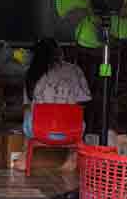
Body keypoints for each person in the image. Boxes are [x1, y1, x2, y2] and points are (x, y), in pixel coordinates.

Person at [15, 38, 91, 170]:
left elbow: (27, 106)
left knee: (28, 113)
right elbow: (83, 102)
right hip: (72, 130)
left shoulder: (32, 73)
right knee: (79, 116)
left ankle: (25, 155)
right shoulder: (74, 70)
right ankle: (72, 156)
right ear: (59, 53)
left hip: (39, 130)